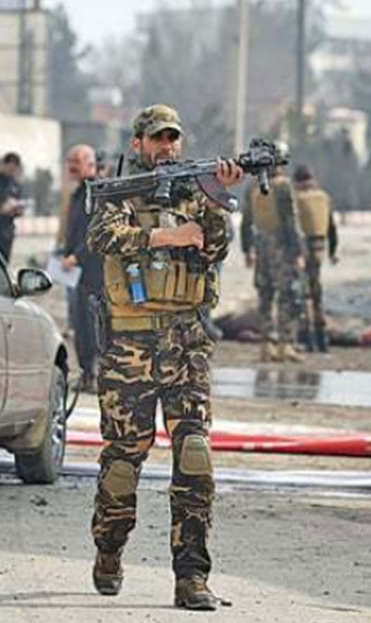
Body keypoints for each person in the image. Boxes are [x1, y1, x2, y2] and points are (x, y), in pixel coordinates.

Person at [87, 104, 242, 611]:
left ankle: (191, 576)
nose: (167, 147)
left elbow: (216, 249)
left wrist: (217, 199)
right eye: (157, 138)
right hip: (129, 349)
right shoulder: (121, 193)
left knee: (195, 456)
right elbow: (101, 237)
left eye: (173, 138)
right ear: (138, 144)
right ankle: (109, 550)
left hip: (186, 347)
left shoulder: (195, 193)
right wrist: (165, 236)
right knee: (123, 461)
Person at [239, 151, 305, 362]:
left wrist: (247, 250)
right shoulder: (283, 186)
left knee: (265, 296)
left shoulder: (253, 186)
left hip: (260, 246)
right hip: (282, 247)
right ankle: (285, 344)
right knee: (287, 296)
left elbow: (246, 222)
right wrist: (298, 252)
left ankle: (266, 345)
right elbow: (291, 220)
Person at [60, 144, 101, 392]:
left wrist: (77, 256)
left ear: (91, 164)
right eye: (70, 161)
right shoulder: (77, 194)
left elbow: (96, 233)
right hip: (75, 273)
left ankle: (95, 374)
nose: (72, 166)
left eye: (77, 161)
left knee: (93, 324)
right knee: (79, 324)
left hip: (94, 272)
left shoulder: (96, 193)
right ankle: (86, 373)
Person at [292, 163, 338, 352]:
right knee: (316, 291)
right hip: (320, 247)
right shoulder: (324, 197)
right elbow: (332, 227)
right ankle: (322, 338)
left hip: (302, 247)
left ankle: (307, 338)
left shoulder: (296, 199)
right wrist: (333, 251)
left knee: (303, 294)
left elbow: (292, 227)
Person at [0, 151, 25, 263]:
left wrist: (17, 209)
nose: (12, 172)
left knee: (4, 262)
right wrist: (0, 209)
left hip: (7, 231)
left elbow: (20, 204)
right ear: (3, 164)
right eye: (10, 169)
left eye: (14, 170)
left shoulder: (15, 184)